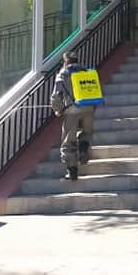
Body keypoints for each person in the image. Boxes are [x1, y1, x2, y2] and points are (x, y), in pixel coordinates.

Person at [51, 51, 97, 181]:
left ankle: (72, 171)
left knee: (68, 141)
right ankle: (83, 150)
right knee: (86, 133)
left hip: (72, 110)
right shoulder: (86, 72)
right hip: (88, 108)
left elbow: (56, 95)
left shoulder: (63, 74)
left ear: (66, 61)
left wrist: (58, 109)